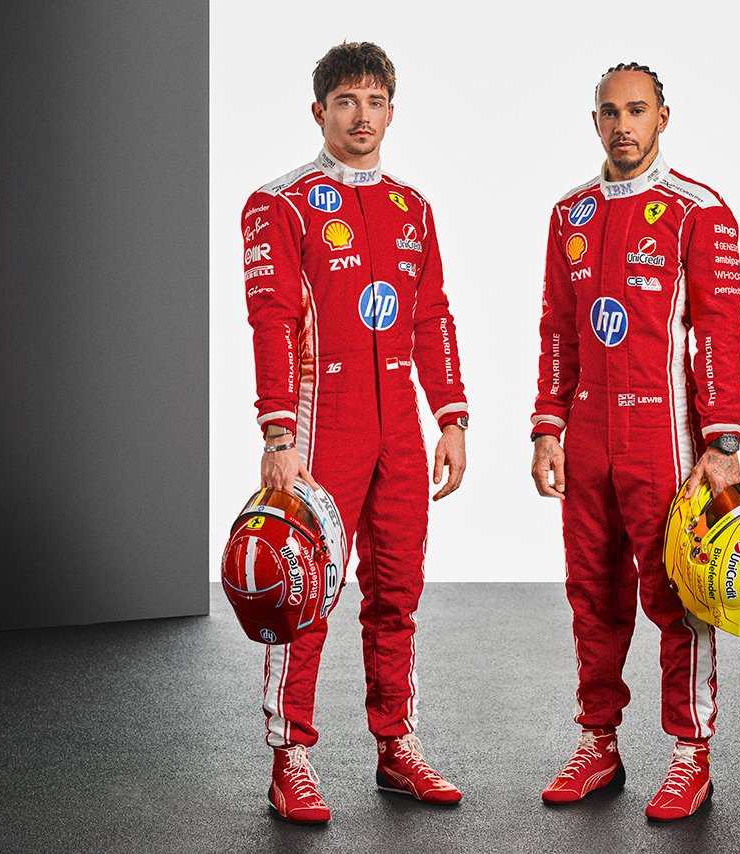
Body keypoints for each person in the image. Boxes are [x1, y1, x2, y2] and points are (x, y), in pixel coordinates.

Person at [242, 41, 469, 823]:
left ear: (391, 113)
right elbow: (271, 321)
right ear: (320, 111)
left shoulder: (412, 209)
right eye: (346, 101)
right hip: (320, 423)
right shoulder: (281, 203)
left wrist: (451, 416)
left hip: (397, 424)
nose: (361, 116)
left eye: (374, 102)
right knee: (302, 595)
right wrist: (278, 435)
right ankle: (290, 758)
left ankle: (395, 746)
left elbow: (432, 317)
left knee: (397, 592)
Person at [529, 62, 740, 822]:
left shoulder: (698, 210)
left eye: (637, 110)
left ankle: (691, 754)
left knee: (680, 592)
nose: (624, 125)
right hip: (588, 436)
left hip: (666, 438)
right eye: (611, 112)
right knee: (593, 592)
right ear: (595, 121)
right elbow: (558, 331)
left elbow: (719, 329)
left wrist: (722, 439)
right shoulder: (570, 214)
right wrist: (548, 427)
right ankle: (599, 743)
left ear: (662, 117)